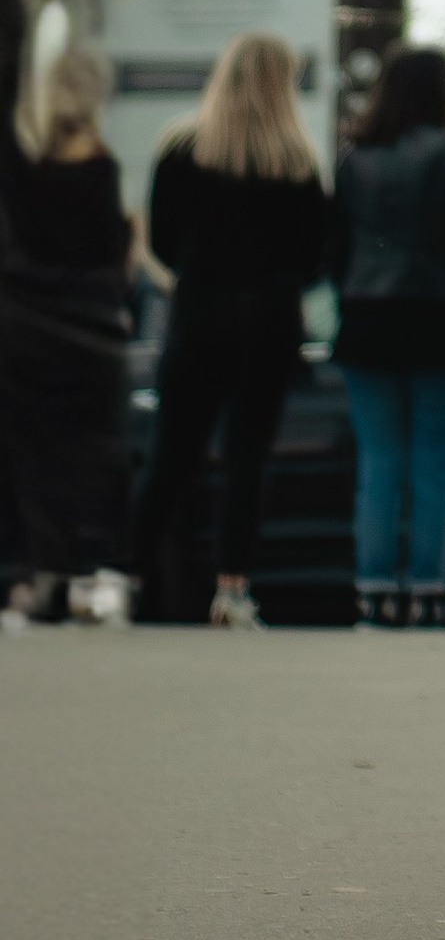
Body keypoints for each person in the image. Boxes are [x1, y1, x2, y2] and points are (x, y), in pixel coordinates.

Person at [133, 30, 333, 624]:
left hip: (198, 314)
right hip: (268, 320)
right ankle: (233, 590)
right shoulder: (296, 161)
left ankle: (127, 578)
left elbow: (162, 242)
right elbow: (315, 255)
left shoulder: (181, 147)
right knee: (248, 458)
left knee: (171, 453)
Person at [333, 44, 445, 629]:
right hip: (439, 323)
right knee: (435, 464)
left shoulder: (354, 158)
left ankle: (373, 590)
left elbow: (336, 250)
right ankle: (428, 590)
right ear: (435, 91)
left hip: (367, 322)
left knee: (378, 461)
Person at [1, 18, 137, 628]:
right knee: (91, 458)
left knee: (34, 459)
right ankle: (90, 573)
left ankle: (37, 576)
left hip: (27, 331)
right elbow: (109, 255)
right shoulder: (101, 169)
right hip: (91, 336)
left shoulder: (24, 168)